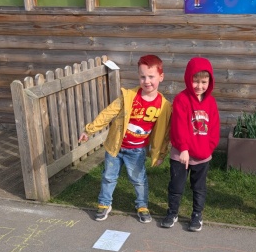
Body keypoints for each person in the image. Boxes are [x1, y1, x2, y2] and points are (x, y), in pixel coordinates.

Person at [78, 54, 171, 223]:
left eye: (151, 77)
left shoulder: (164, 106)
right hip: (115, 147)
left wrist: (161, 154)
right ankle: (104, 203)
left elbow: (164, 134)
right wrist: (89, 130)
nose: (147, 81)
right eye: (142, 77)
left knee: (138, 180)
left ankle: (142, 205)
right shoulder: (128, 97)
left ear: (161, 77)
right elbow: (108, 113)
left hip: (137, 151)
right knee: (108, 176)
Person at [161, 57, 220, 232]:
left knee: (199, 187)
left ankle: (196, 215)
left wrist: (209, 147)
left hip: (202, 154)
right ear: (188, 79)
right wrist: (184, 148)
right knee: (176, 185)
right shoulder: (182, 99)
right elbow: (178, 126)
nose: (199, 86)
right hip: (181, 153)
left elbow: (214, 127)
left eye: (204, 82)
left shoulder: (211, 102)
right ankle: (172, 213)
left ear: (209, 82)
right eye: (195, 81)